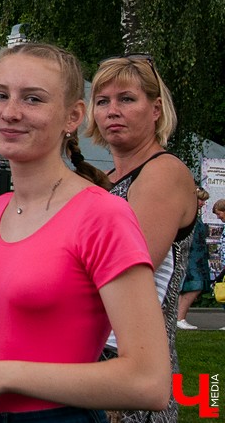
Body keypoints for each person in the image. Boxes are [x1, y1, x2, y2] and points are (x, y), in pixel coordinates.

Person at [0, 42, 169, 418]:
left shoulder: (102, 214)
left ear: (73, 117)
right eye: (0, 95)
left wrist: (7, 375)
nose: (10, 112)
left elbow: (149, 382)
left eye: (33, 99)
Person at [87, 54, 197, 422]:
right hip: (95, 356)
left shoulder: (163, 171)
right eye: (102, 101)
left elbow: (126, 267)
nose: (112, 110)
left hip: (130, 365)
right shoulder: (109, 178)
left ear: (156, 109)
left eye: (127, 99)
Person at [177, 188, 211, 329]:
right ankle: (180, 318)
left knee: (190, 286)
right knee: (193, 285)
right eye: (200, 199)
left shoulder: (195, 215)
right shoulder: (186, 214)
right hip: (191, 255)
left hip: (198, 255)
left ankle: (179, 317)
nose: (202, 203)